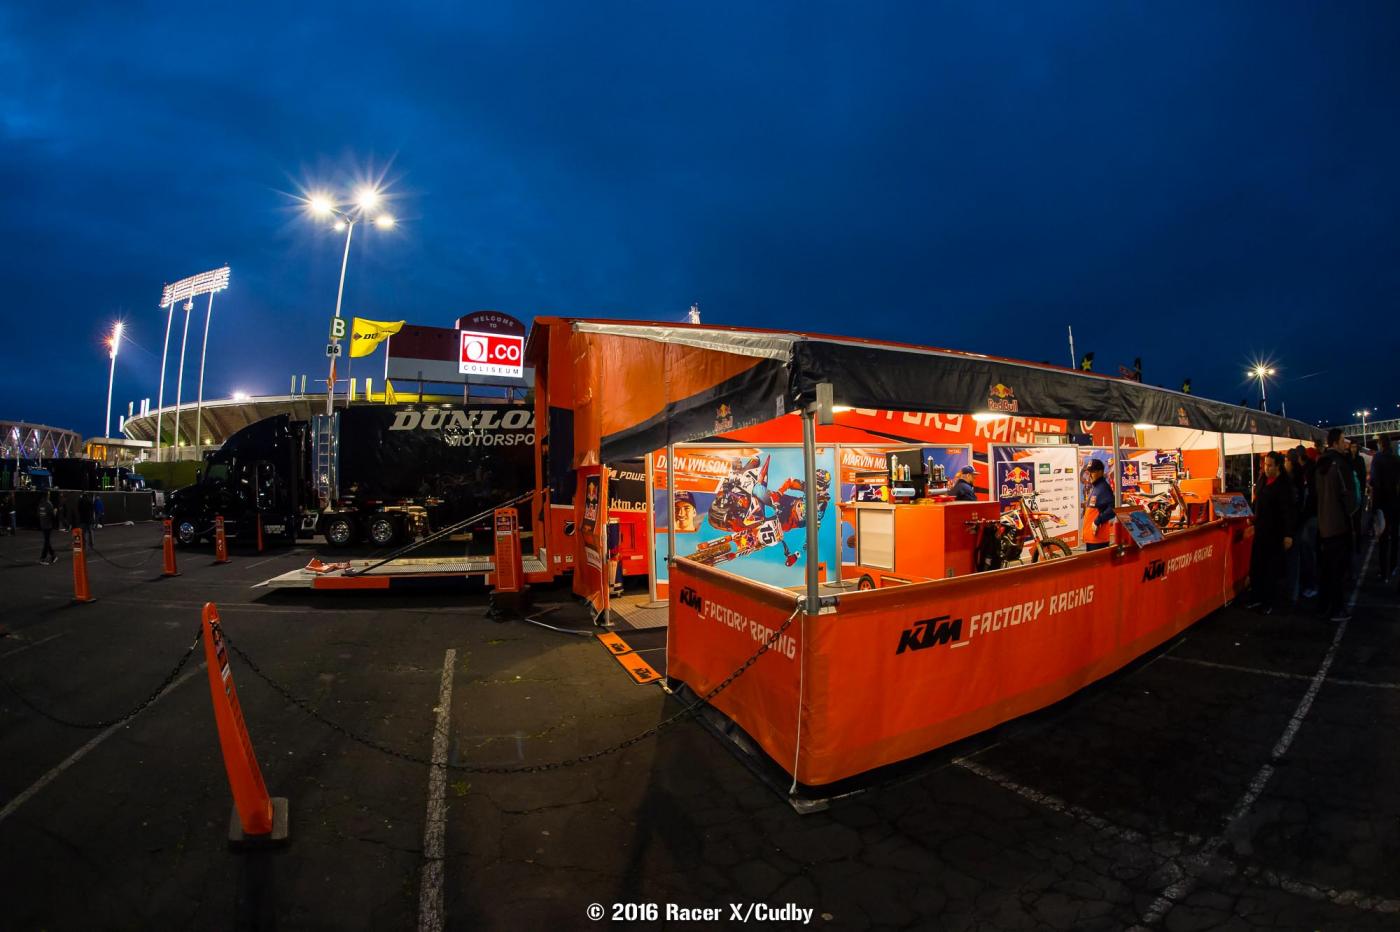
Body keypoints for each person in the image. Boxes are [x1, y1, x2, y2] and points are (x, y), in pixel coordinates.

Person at [1315, 428, 1358, 621]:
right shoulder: (1340, 464)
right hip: (1339, 524)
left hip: (1324, 524)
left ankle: (1323, 606)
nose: (1345, 445)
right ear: (1334, 443)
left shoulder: (1320, 464)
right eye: (1342, 441)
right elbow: (1348, 497)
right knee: (1338, 571)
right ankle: (1337, 609)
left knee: (1326, 569)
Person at [1247, 452, 1296, 614]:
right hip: (1260, 530)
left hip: (1275, 533)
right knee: (1257, 566)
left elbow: (1288, 512)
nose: (1266, 468)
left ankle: (1268, 602)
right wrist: (1251, 516)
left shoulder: (1284, 485)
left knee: (1271, 569)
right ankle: (1257, 597)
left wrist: (1288, 534)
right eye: (1265, 465)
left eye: (1269, 465)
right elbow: (1257, 501)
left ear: (1278, 466)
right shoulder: (1262, 479)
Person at [1370, 436, 1400, 580]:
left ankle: (1383, 571)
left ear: (1381, 444)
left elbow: (1374, 482)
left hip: (1382, 503)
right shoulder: (1397, 459)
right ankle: (1393, 567)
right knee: (1394, 537)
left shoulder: (1377, 459)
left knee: (1383, 538)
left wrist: (1374, 507)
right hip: (1396, 503)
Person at [1081, 459, 1115, 552]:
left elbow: (1112, 509)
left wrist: (1097, 521)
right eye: (1089, 472)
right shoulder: (1096, 487)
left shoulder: (1104, 488)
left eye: (1092, 472)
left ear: (1100, 472)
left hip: (1098, 540)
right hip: (1092, 538)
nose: (1090, 475)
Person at [37, 492, 57, 564]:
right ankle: (43, 558)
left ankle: (53, 556)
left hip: (43, 524)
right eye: (49, 494)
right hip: (48, 525)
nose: (49, 495)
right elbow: (53, 516)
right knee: (47, 542)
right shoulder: (49, 504)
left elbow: (38, 514)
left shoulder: (40, 503)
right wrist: (55, 512)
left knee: (47, 541)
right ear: (47, 495)